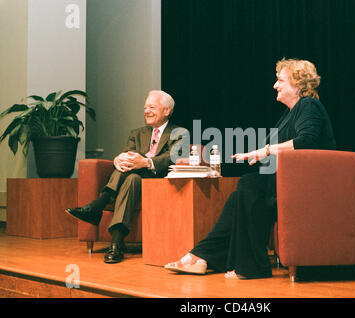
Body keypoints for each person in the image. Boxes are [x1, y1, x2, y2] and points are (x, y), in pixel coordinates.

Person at [164, 58, 336, 279]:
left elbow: (307, 142)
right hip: (288, 181)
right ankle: (203, 257)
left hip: (310, 185)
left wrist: (264, 150)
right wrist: (260, 152)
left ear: (299, 85)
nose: (275, 85)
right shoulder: (289, 113)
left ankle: (250, 266)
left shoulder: (308, 105)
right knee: (239, 197)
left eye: (280, 80)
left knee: (249, 184)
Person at [66, 90, 188, 264]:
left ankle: (97, 206)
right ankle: (115, 244)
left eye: (152, 107)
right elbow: (126, 153)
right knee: (131, 178)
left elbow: (172, 157)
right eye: (145, 107)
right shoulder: (137, 133)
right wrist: (118, 160)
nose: (147, 111)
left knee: (131, 172)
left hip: (157, 182)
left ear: (167, 110)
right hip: (134, 180)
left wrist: (145, 162)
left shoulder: (179, 132)